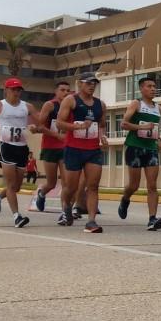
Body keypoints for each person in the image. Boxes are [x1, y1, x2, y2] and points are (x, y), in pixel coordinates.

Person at [0, 78, 42, 228]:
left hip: (22, 148)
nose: (16, 92)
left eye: (19, 90)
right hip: (6, 146)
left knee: (17, 187)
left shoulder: (27, 107)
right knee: (12, 185)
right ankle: (17, 217)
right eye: (13, 89)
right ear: (6, 90)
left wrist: (35, 127)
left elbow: (40, 121)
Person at [56, 72, 108, 233]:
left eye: (94, 83)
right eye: (88, 83)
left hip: (93, 150)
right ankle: (66, 207)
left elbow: (101, 124)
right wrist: (77, 127)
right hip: (73, 149)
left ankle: (91, 221)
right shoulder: (71, 100)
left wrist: (103, 136)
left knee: (93, 186)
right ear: (80, 84)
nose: (92, 86)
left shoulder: (101, 104)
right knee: (71, 187)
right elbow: (59, 123)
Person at [118, 75, 161, 231]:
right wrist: (141, 128)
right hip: (134, 147)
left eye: (154, 86)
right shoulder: (136, 104)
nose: (153, 89)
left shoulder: (159, 108)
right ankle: (125, 199)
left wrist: (159, 139)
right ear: (141, 88)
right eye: (149, 86)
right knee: (134, 185)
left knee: (152, 185)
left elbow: (155, 128)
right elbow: (124, 124)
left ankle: (152, 219)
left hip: (151, 149)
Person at [33, 79, 71, 213]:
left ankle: (65, 211)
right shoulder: (50, 105)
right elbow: (40, 126)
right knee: (51, 183)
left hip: (65, 147)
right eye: (62, 90)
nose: (65, 93)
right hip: (49, 147)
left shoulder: (71, 106)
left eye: (67, 90)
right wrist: (56, 135)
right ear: (56, 91)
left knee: (67, 182)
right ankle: (41, 194)